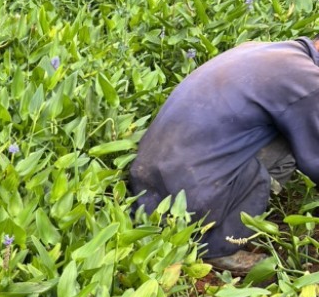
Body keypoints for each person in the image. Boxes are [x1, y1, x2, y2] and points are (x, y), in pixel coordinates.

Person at [129, 37, 319, 271]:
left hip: (149, 181)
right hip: (194, 195)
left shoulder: (265, 49)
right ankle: (217, 247)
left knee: (289, 127)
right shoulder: (306, 80)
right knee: (295, 135)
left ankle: (208, 218)